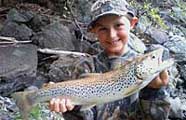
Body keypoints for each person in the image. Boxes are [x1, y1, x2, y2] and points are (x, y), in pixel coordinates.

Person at [49, 0, 170, 119]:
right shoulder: (84, 67)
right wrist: (72, 107)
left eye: (118, 25)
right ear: (93, 31)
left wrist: (154, 91)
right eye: (103, 29)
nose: (112, 35)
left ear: (132, 23)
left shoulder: (154, 76)